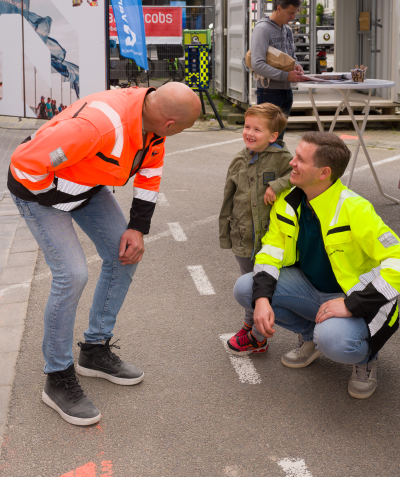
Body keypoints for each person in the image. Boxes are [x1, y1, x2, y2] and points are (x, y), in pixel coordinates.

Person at [8, 83, 201, 426]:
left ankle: (94, 350)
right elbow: (25, 163)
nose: (177, 135)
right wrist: (55, 201)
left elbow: (150, 173)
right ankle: (57, 376)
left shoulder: (152, 125)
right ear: (170, 123)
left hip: (86, 187)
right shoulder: (98, 125)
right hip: (41, 192)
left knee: (125, 253)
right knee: (73, 274)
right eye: (183, 130)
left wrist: (138, 228)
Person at [233, 132, 400, 399]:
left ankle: (367, 356)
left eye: (300, 159)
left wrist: (350, 304)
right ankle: (312, 337)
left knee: (335, 340)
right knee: (246, 288)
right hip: (311, 289)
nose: (291, 163)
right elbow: (270, 254)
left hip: (354, 298)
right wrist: (262, 299)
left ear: (324, 173)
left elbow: (397, 261)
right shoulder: (287, 202)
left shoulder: (356, 208)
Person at [219, 104, 292, 355]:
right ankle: (250, 327)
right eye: (246, 126)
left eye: (257, 129)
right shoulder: (239, 159)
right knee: (248, 283)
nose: (249, 132)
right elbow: (228, 198)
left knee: (261, 285)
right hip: (243, 237)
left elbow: (298, 176)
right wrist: (225, 234)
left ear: (273, 136)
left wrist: (277, 184)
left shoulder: (283, 159)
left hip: (270, 239)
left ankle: (256, 335)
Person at [251, 0, 307, 140]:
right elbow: (257, 64)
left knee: (277, 137)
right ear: (278, 8)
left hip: (286, 91)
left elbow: (291, 58)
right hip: (268, 92)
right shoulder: (262, 29)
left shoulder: (287, 30)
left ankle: (274, 163)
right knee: (265, 138)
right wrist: (286, 75)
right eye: (290, 13)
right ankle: (262, 163)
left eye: (294, 13)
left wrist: (296, 66)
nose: (293, 17)